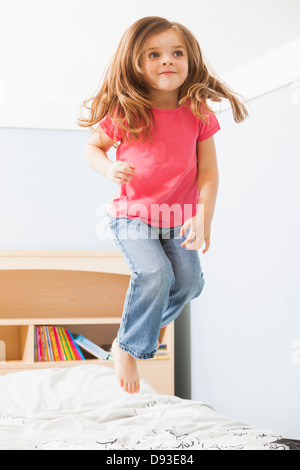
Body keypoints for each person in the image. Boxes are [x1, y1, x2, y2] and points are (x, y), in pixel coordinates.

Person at [78, 16, 248, 394]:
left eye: (176, 53)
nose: (167, 60)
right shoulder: (127, 111)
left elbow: (209, 172)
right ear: (138, 64)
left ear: (190, 61)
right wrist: (109, 168)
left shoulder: (197, 111)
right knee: (155, 273)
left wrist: (204, 217)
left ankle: (138, 333)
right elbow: (92, 148)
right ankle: (128, 347)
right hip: (132, 215)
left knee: (188, 283)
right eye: (154, 54)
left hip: (179, 218)